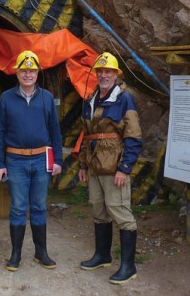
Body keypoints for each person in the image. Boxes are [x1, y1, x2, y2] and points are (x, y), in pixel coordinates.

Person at [0, 50, 63, 271]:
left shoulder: (47, 98)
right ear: (17, 73)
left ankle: (41, 253)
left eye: (32, 70)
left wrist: (58, 159)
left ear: (37, 72)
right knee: (18, 208)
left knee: (40, 206)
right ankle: (16, 255)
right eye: (24, 70)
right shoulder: (6, 98)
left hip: (42, 159)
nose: (28, 74)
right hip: (16, 160)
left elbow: (55, 131)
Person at [77, 52, 143, 284]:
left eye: (109, 72)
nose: (104, 75)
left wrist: (124, 169)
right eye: (100, 71)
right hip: (95, 167)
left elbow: (133, 137)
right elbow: (87, 135)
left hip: (114, 167)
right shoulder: (92, 99)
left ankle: (128, 266)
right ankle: (102, 256)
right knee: (99, 210)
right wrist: (83, 164)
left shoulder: (125, 99)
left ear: (116, 74)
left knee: (121, 213)